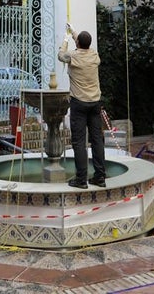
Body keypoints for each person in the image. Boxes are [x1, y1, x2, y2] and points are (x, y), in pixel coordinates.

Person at [57, 29, 106, 188]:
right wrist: (74, 32)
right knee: (97, 140)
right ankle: (100, 177)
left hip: (79, 103)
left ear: (77, 43)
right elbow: (83, 43)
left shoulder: (73, 56)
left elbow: (60, 56)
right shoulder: (95, 56)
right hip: (95, 103)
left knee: (79, 142)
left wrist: (65, 39)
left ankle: (81, 179)